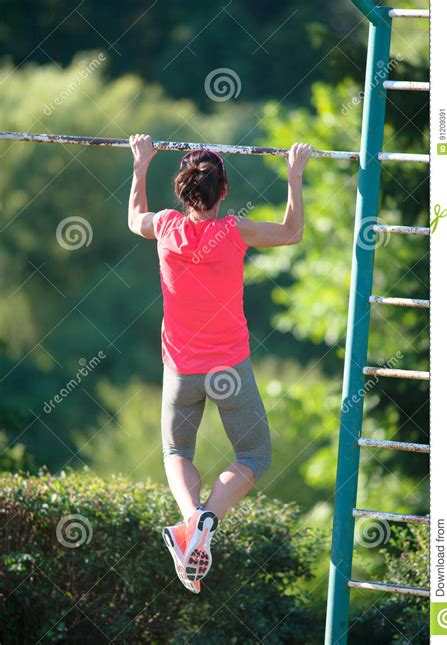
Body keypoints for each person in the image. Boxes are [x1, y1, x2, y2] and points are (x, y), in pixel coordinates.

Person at [128, 135, 313, 592]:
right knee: (254, 455)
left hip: (180, 371)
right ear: (223, 192)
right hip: (230, 368)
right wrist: (294, 174)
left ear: (181, 191)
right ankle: (206, 518)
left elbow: (134, 219)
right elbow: (292, 232)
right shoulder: (234, 231)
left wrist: (140, 163)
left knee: (176, 453)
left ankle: (194, 520)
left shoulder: (166, 226)